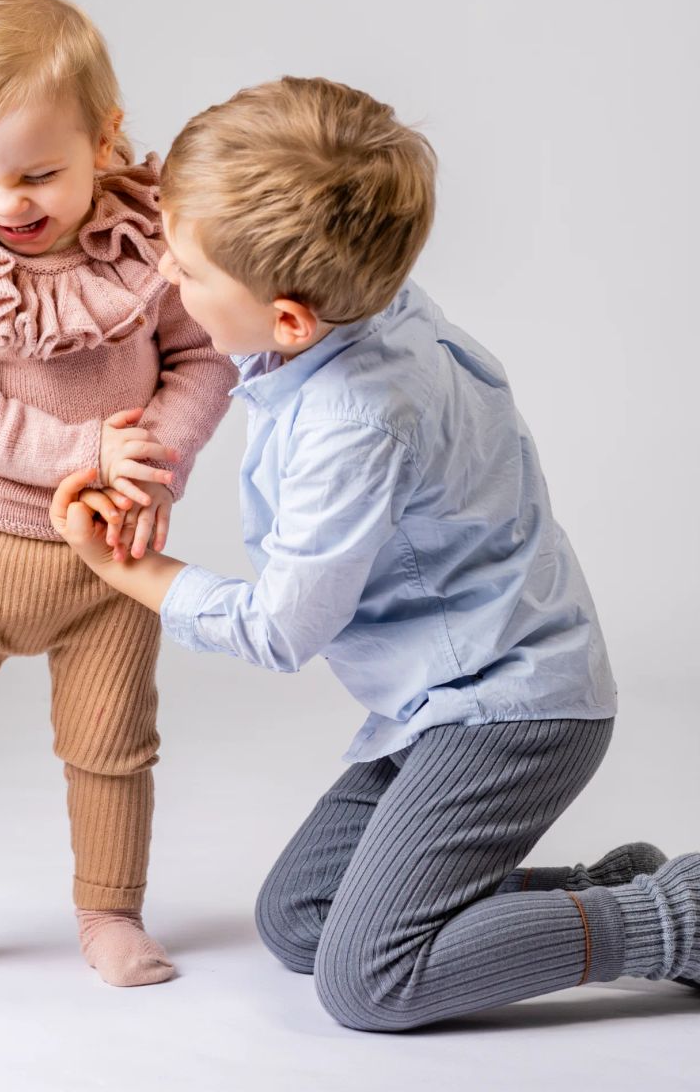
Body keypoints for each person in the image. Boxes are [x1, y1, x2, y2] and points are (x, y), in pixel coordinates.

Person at [49, 75, 698, 1029]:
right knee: (300, 922)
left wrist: (130, 571)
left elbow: (282, 629)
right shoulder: (370, 299)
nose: (164, 283)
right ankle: (603, 889)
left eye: (186, 273)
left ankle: (670, 920)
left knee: (369, 983)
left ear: (290, 321)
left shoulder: (356, 418)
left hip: (512, 711)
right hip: (436, 703)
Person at [0, 0, 237, 986]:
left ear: (105, 140)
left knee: (112, 744)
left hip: (111, 553)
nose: (6, 205)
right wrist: (83, 454)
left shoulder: (150, 246)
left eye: (38, 173)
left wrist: (156, 453)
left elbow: (203, 358)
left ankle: (109, 910)